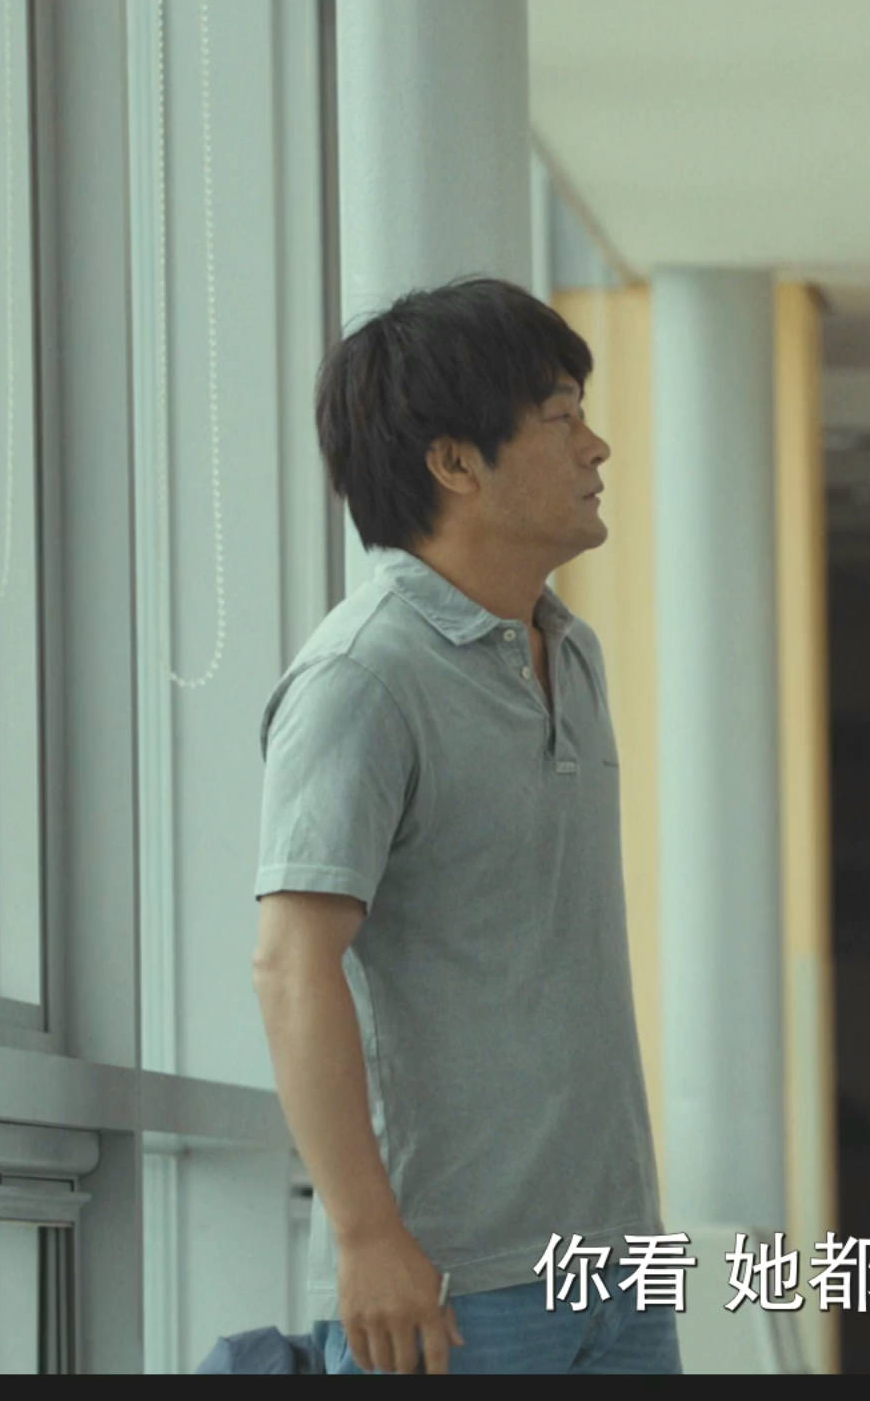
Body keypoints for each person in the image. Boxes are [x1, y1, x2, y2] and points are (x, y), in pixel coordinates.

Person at [252, 277, 678, 1375]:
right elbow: (292, 964)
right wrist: (365, 1237)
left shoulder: (571, 650)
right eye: (561, 418)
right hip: (450, 1287)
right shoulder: (363, 677)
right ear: (453, 462)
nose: (596, 447)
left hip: (616, 1265)